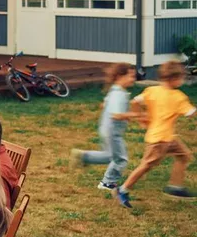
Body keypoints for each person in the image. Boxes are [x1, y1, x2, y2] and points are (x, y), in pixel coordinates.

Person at [114, 60, 197, 207]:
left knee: (184, 156)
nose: (182, 81)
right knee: (146, 165)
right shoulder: (178, 97)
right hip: (160, 140)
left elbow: (135, 102)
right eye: (181, 78)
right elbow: (191, 113)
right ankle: (122, 189)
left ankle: (175, 187)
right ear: (173, 79)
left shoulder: (152, 90)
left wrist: (140, 118)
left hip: (167, 138)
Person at [70, 64, 138, 192]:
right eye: (131, 76)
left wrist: (124, 114)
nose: (133, 79)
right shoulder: (119, 94)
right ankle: (108, 183)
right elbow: (116, 114)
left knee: (109, 156)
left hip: (106, 128)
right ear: (119, 76)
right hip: (113, 132)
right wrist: (133, 114)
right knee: (120, 159)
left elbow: (104, 105)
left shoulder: (114, 90)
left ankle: (83, 156)